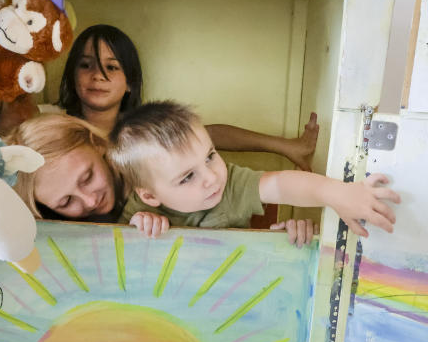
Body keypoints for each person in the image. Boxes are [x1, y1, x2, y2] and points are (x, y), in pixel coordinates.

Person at [6, 113, 319, 244]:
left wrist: (285, 147)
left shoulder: (142, 161)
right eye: (66, 201)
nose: (89, 200)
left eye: (87, 177)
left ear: (99, 145)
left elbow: (206, 135)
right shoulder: (61, 231)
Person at [107, 101, 400, 241]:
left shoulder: (230, 183)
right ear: (149, 195)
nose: (210, 177)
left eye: (210, 156)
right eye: (187, 177)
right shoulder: (139, 209)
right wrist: (138, 232)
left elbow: (282, 185)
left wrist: (337, 193)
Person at [57, 24, 319, 171]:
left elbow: (210, 134)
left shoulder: (141, 134)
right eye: (86, 65)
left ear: (130, 83)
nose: (97, 76)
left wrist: (286, 147)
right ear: (72, 73)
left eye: (112, 67)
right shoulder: (54, 126)